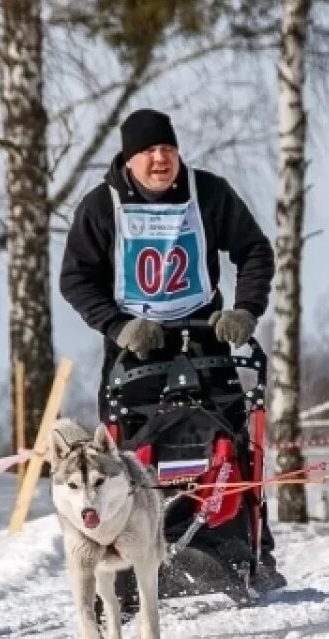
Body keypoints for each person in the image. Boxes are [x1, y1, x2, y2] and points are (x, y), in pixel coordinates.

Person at [58, 107, 278, 577]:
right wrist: (118, 325)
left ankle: (244, 547)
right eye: (148, 151)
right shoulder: (100, 207)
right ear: (129, 159)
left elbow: (254, 250)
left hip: (205, 337)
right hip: (135, 348)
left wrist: (245, 311)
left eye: (167, 148)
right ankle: (127, 561)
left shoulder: (208, 193)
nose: (160, 159)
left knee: (231, 439)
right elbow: (76, 279)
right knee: (125, 456)